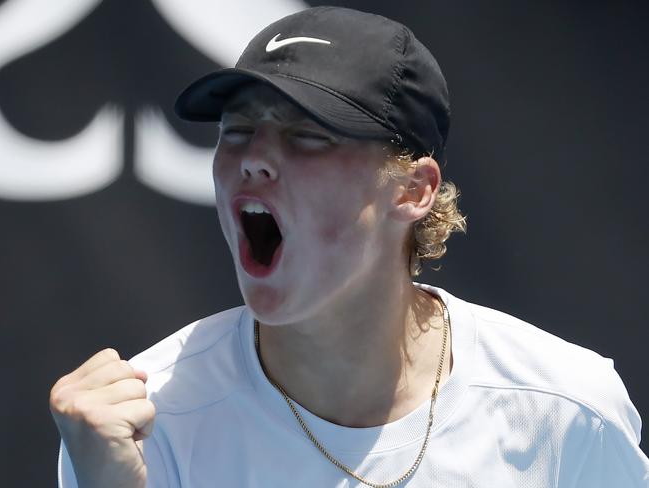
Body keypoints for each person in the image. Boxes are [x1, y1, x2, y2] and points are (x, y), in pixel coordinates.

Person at [49, 6, 649, 487]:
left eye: (306, 137)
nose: (253, 157)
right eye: (236, 132)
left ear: (414, 189)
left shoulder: (567, 408)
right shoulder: (146, 426)